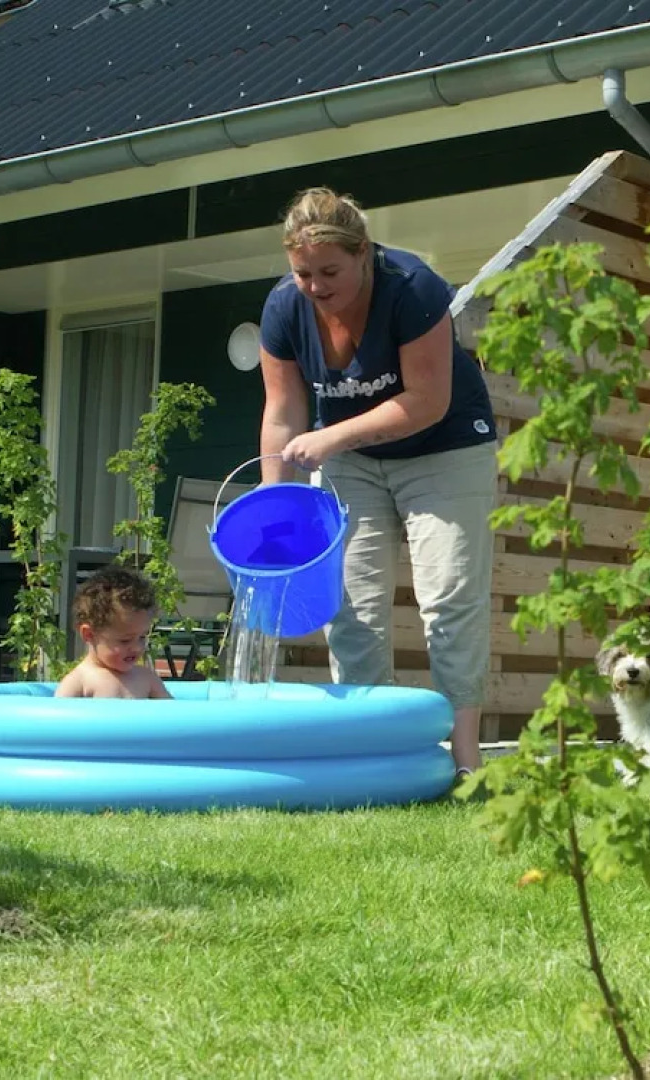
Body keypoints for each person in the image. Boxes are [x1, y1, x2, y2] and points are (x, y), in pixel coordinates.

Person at [257, 187, 497, 779]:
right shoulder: (284, 308)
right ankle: (371, 758)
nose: (315, 286)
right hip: (352, 459)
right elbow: (283, 412)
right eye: (303, 273)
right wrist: (275, 497)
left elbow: (427, 401)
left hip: (445, 447)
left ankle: (464, 763)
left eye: (329, 272)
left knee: (449, 599)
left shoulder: (413, 288)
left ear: (363, 252)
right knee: (353, 609)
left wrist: (331, 438)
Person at [54, 565, 172, 700]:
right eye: (125, 640)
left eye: (142, 637)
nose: (137, 648)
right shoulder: (79, 682)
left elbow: (174, 712)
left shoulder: (147, 679)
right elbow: (59, 713)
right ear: (89, 634)